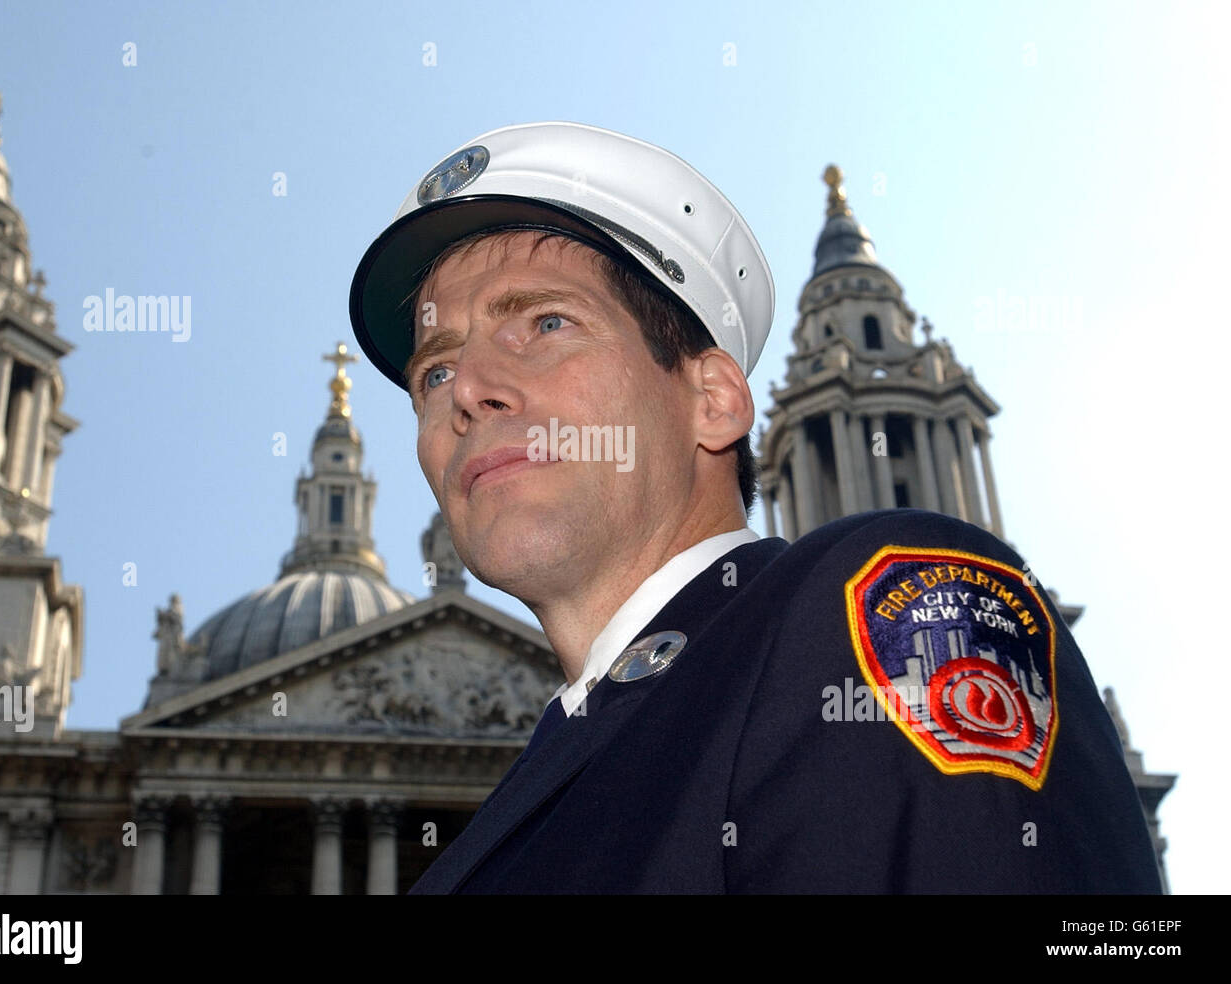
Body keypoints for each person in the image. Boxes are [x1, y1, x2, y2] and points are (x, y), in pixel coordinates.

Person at [347, 121, 1161, 893]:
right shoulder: (538, 780)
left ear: (713, 400)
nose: (469, 392)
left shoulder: (878, 611)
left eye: (546, 321)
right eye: (435, 373)